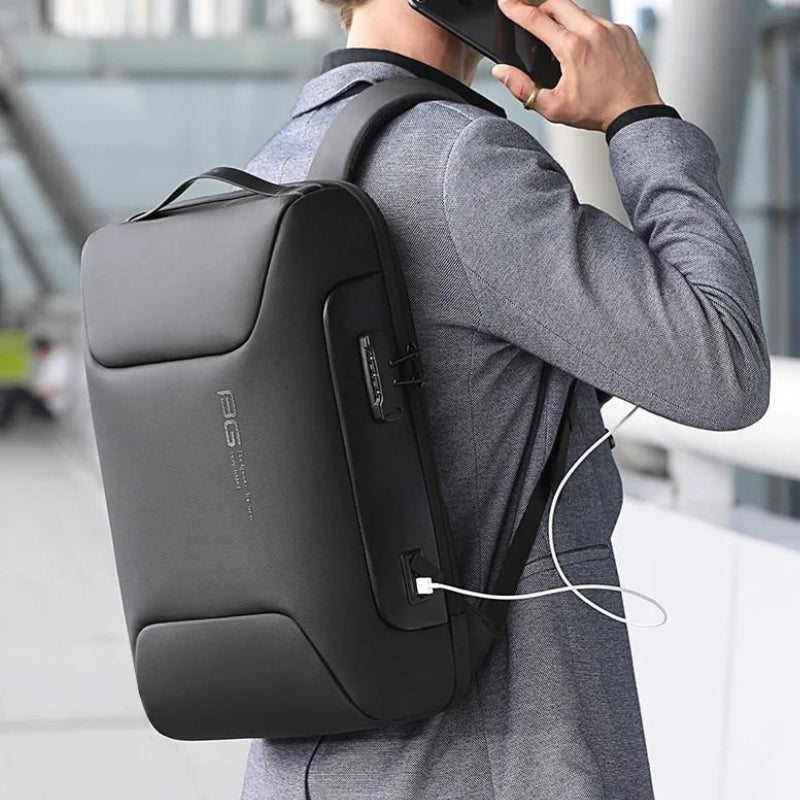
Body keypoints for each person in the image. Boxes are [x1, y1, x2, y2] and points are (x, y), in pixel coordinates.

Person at [241, 0, 771, 797]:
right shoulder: (463, 164)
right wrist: (638, 115)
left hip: (303, 766)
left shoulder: (271, 166)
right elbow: (723, 367)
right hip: (490, 761)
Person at [0, 335, 75, 430]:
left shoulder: (59, 362)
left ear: (43, 349)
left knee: (17, 392)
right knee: (14, 391)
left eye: (38, 352)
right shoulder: (51, 360)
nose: (37, 355)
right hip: (44, 400)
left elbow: (59, 386)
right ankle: (5, 419)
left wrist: (38, 393)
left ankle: (3, 422)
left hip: (51, 406)